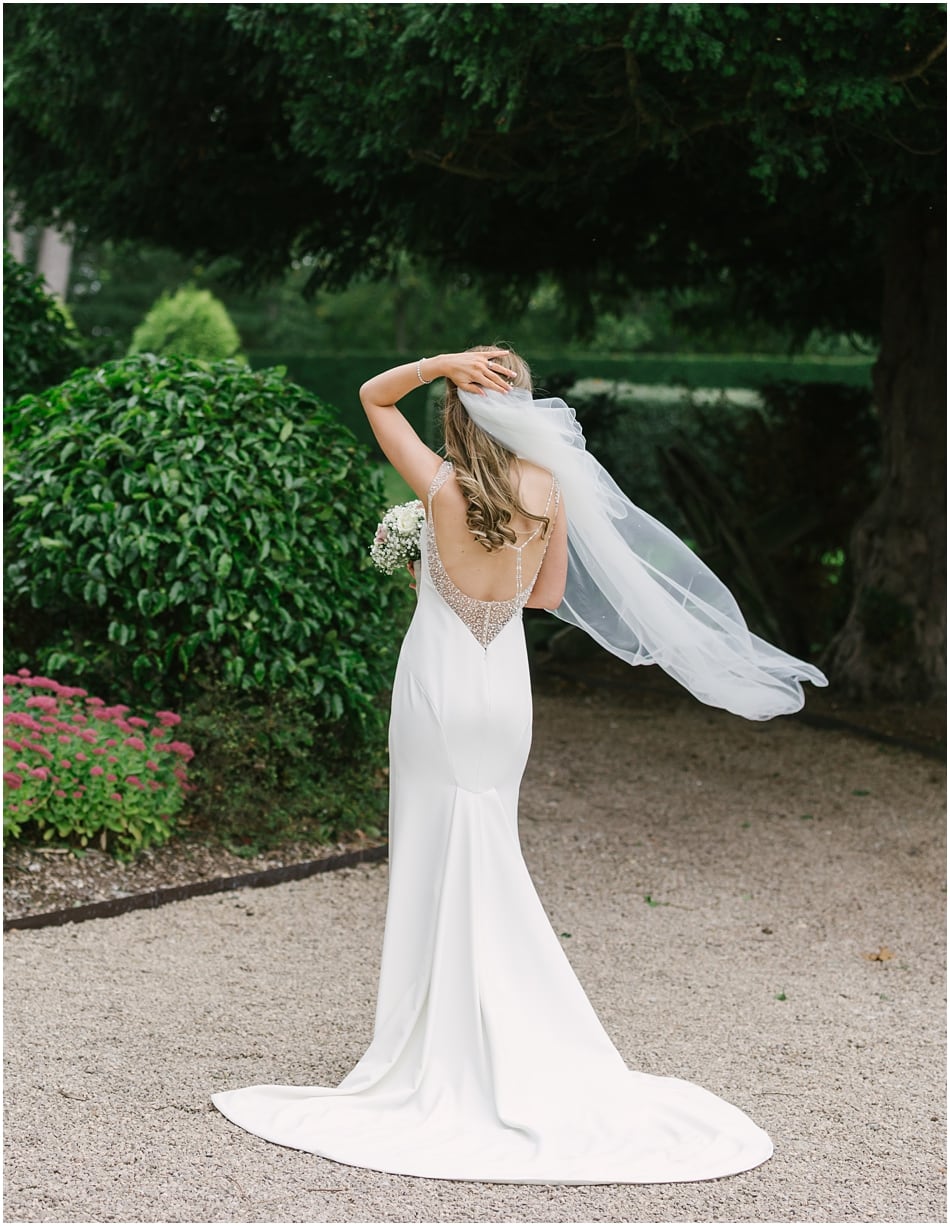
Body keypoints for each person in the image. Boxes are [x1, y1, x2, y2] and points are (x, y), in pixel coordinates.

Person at [213, 346, 826, 1182]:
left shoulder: (437, 487)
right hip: (506, 690)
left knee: (433, 848)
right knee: (489, 845)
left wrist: (439, 366)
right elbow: (544, 596)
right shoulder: (550, 491)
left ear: (459, 416)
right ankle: (505, 1022)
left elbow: (371, 395)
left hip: (438, 683)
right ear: (524, 415)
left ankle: (438, 1037)